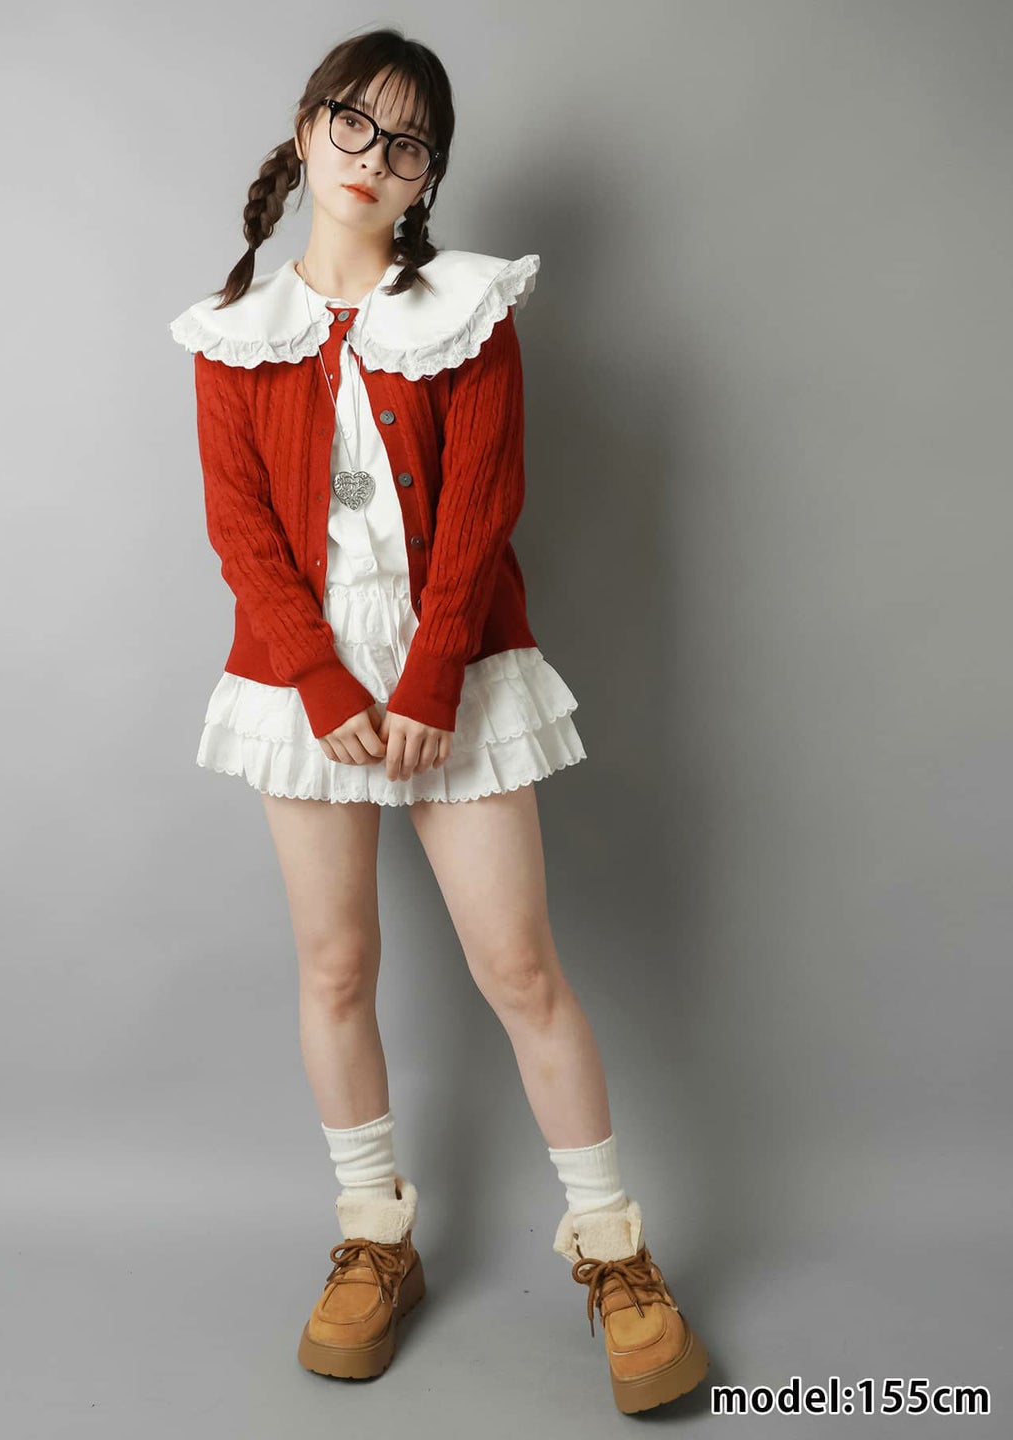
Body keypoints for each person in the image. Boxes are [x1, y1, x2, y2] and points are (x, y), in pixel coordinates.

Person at [169, 26, 708, 1414]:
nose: (372, 157)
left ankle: (613, 1250)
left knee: (520, 968)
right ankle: (374, 1235)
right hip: (301, 690)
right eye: (352, 123)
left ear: (428, 177)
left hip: (453, 675)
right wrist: (324, 682)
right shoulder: (231, 333)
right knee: (335, 967)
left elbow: (482, 509)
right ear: (307, 129)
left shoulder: (469, 309)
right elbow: (241, 532)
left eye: (405, 142)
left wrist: (425, 683)